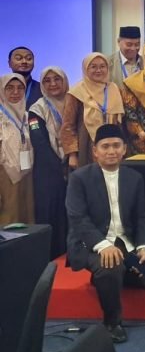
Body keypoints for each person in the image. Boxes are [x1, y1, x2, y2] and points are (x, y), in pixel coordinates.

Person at [65, 124, 145, 343]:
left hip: (124, 242)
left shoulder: (134, 178)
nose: (111, 151)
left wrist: (143, 246)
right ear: (95, 151)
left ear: (124, 149)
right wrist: (103, 246)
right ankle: (112, 323)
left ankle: (106, 279)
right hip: (90, 244)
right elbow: (78, 219)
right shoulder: (79, 178)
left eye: (116, 146)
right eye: (105, 146)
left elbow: (142, 217)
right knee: (110, 266)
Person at [28, 66, 69, 256]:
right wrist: (58, 166)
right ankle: (52, 254)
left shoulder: (74, 102)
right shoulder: (37, 109)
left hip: (73, 164)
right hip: (48, 171)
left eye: (57, 79)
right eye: (47, 80)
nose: (53, 84)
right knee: (51, 211)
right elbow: (40, 142)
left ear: (64, 80)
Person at [61, 53, 124, 170]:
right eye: (93, 67)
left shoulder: (114, 89)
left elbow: (120, 122)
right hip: (86, 145)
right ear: (86, 69)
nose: (98, 70)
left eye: (102, 66)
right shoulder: (76, 92)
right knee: (90, 177)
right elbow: (68, 126)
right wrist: (72, 155)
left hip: (113, 146)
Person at [0, 74, 34, 225]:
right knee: (8, 216)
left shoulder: (27, 116)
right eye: (10, 88)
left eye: (20, 88)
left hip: (27, 174)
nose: (15, 92)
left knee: (26, 214)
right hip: (5, 175)